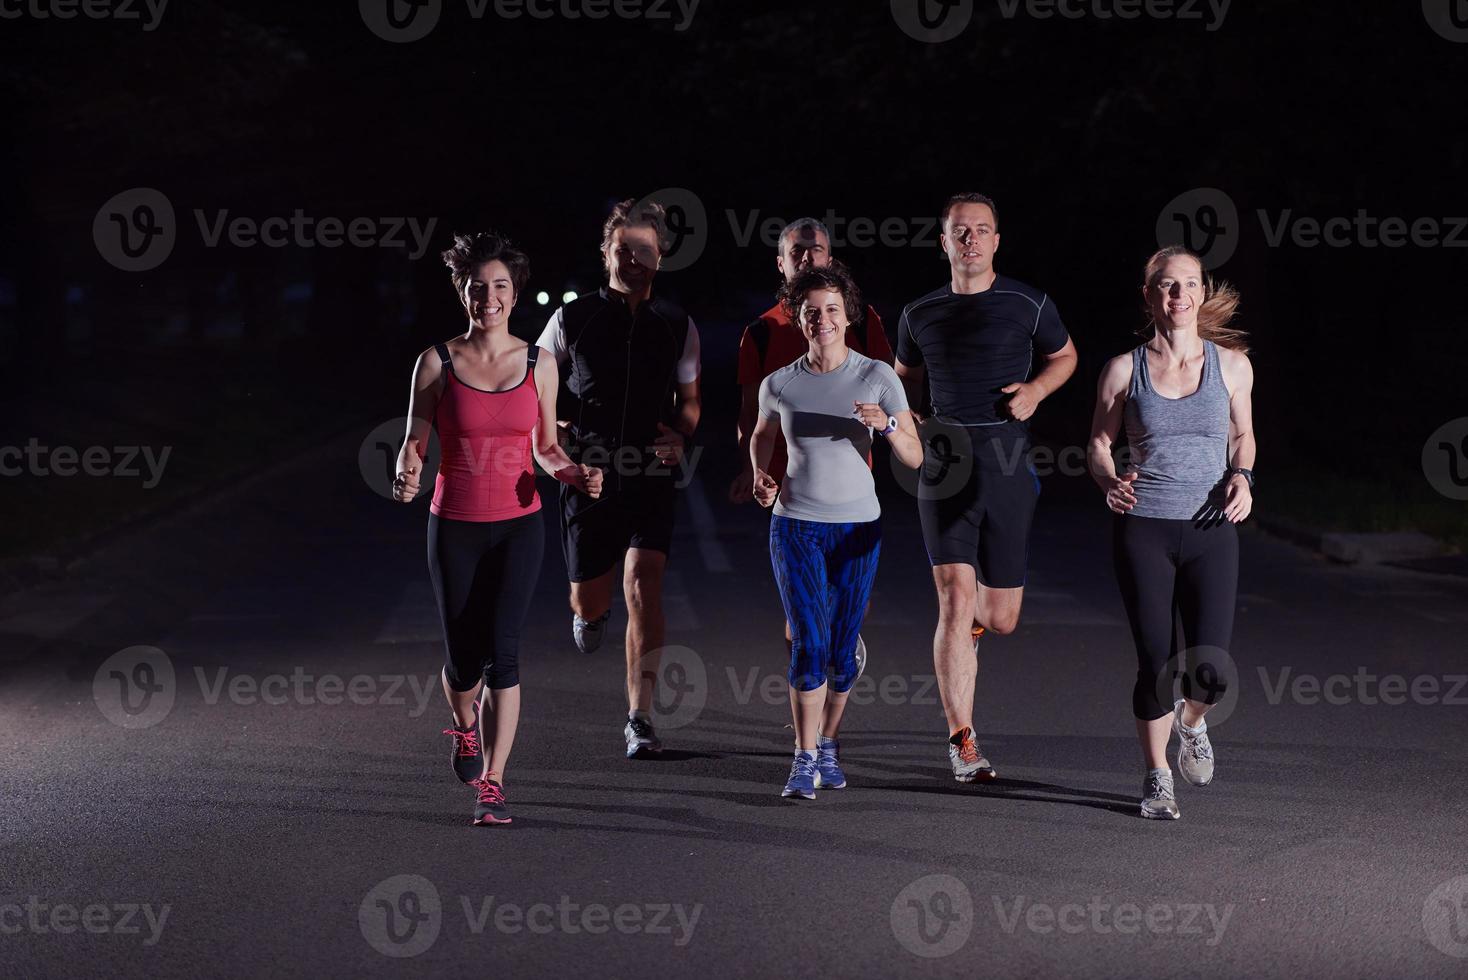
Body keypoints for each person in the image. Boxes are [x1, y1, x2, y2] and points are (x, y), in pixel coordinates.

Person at [393, 231, 603, 826]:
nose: (489, 297)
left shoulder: (540, 363)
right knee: (463, 656)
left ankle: (494, 780)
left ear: (515, 295)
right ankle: (464, 728)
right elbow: (414, 439)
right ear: (463, 292)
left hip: (519, 526)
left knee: (503, 657)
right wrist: (407, 472)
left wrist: (575, 473)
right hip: (453, 524)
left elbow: (546, 448)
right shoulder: (436, 361)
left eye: (501, 287)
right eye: (478, 286)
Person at [895, 192, 1078, 783]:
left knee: (999, 618)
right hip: (945, 467)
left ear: (997, 240)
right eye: (959, 230)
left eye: (981, 229)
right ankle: (962, 739)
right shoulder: (918, 312)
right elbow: (905, 382)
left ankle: (974, 626)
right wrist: (913, 421)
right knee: (952, 597)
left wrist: (1036, 391)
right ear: (942, 242)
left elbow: (1067, 356)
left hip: (1006, 463)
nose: (970, 239)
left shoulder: (1030, 302)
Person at [1087, 245, 1255, 820]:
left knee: (1211, 670)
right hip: (1144, 529)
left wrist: (1244, 477)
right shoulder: (1121, 369)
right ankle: (1158, 776)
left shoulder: (1232, 365)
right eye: (1165, 285)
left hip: (1212, 527)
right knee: (1154, 660)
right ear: (1149, 296)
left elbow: (1243, 435)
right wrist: (1108, 479)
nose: (1177, 295)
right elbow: (1099, 444)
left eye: (1187, 284)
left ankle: (1192, 722)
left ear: (1201, 293)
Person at [536, 199, 701, 758]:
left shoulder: (676, 323)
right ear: (606, 252)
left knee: (644, 584)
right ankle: (590, 613)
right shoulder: (571, 319)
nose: (634, 260)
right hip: (589, 475)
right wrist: (564, 447)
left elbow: (692, 403)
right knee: (590, 600)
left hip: (651, 473)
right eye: (623, 249)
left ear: (662, 256)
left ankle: (640, 716)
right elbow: (538, 395)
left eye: (646, 251)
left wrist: (680, 435)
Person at [751, 265, 922, 798]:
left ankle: (828, 742)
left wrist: (887, 425)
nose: (821, 319)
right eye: (810, 312)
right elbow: (761, 434)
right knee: (807, 642)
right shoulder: (780, 382)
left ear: (848, 315)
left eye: (831, 309)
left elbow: (915, 456)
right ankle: (802, 759)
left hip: (858, 529)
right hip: (795, 524)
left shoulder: (877, 377)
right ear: (798, 319)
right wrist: (761, 473)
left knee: (842, 653)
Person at [732, 219, 896, 678]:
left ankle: (830, 663)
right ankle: (811, 695)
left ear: (830, 257)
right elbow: (751, 413)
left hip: (850, 490)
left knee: (840, 610)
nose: (807, 257)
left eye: (816, 249)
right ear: (781, 262)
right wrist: (753, 469)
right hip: (790, 493)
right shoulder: (761, 331)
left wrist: (897, 428)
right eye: (796, 251)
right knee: (802, 619)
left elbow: (888, 389)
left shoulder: (859, 322)